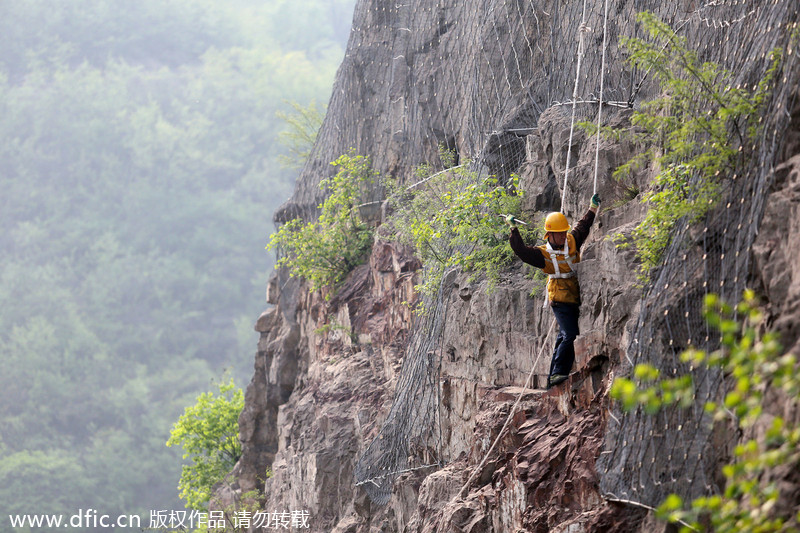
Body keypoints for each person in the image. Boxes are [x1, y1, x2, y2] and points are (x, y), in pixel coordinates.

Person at [506, 194, 600, 388]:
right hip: (559, 298)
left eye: (564, 232)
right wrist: (513, 229)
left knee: (562, 336)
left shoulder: (572, 241)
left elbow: (583, 226)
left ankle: (551, 380)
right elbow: (521, 251)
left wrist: (592, 208)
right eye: (559, 233)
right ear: (550, 235)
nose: (564, 235)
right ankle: (559, 372)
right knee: (570, 334)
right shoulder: (543, 254)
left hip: (573, 295)